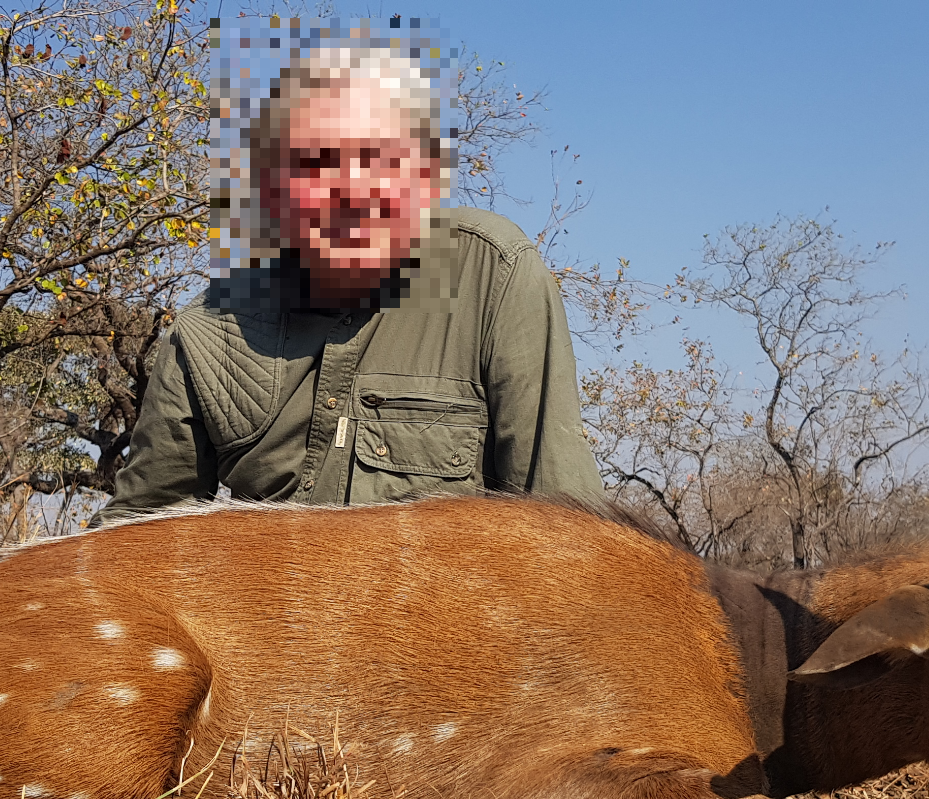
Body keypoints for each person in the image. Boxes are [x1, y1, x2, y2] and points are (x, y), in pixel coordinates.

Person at [100, 34, 604, 520]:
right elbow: (139, 537)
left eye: (379, 158)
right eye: (317, 162)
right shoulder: (208, 330)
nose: (354, 192)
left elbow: (566, 533)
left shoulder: (495, 273)